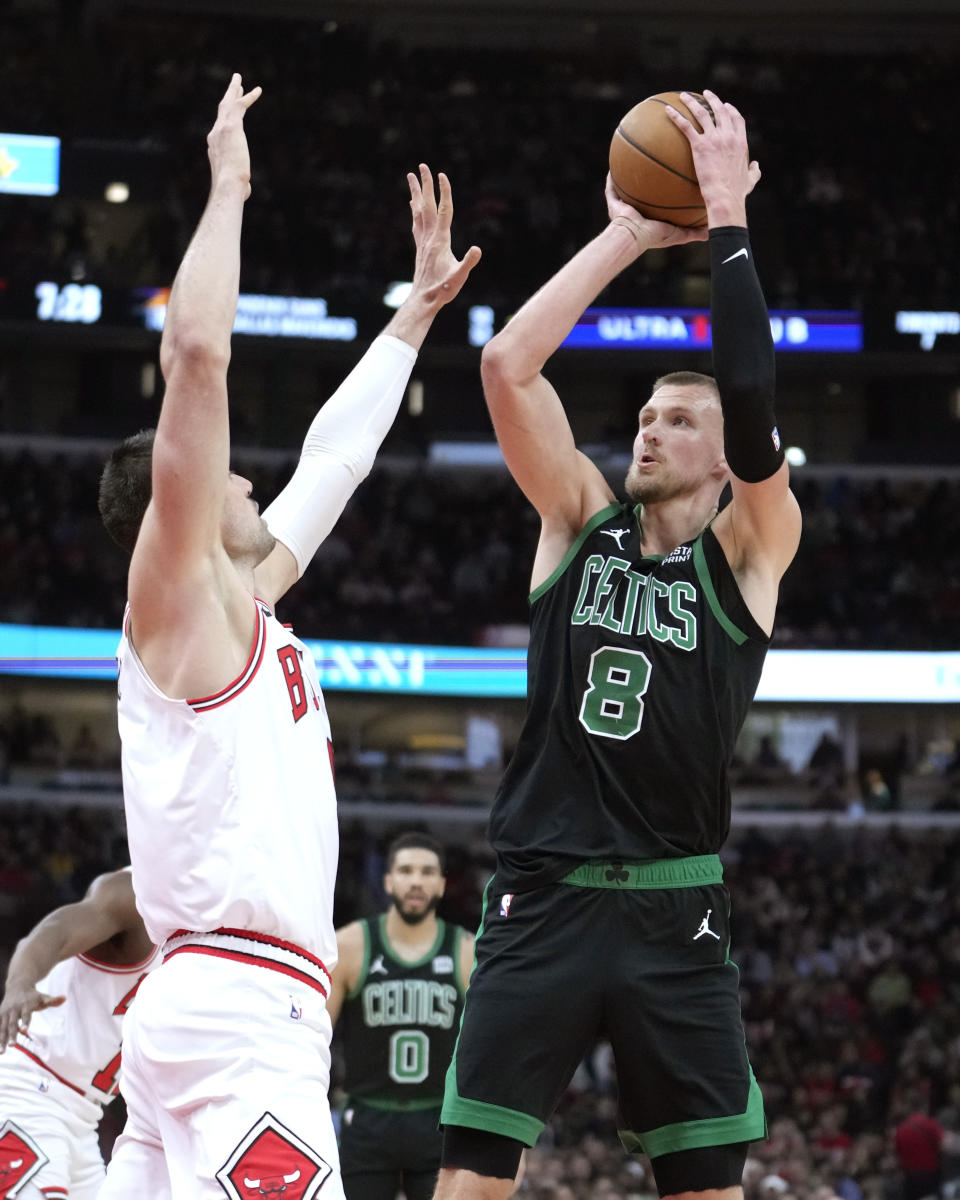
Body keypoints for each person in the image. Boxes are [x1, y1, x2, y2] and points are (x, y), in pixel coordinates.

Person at [95, 75, 480, 1200]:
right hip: (243, 1011)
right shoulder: (175, 595)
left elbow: (334, 462)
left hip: (206, 1008)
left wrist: (411, 317)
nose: (251, 472)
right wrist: (231, 185)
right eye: (229, 472)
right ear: (183, 494)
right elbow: (200, 359)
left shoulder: (242, 598)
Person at [435, 89, 802, 1200]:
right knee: (470, 1184)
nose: (648, 425)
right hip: (541, 898)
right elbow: (507, 367)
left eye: (676, 419)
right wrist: (628, 234)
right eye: (644, 413)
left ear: (722, 451)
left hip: (674, 905)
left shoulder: (751, 551)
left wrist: (728, 210)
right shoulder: (576, 524)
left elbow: (747, 387)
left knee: (705, 1190)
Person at [327, 832, 474, 1200]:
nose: (416, 881)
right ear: (388, 881)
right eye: (406, 870)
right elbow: (314, 1040)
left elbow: (491, 1050)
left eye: (427, 872)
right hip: (366, 1118)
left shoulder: (467, 951)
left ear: (441, 885)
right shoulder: (349, 946)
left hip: (440, 1121)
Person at [0, 868, 158, 1200]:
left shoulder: (205, 928)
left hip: (84, 1119)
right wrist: (19, 986)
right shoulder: (134, 892)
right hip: (29, 1088)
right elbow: (52, 932)